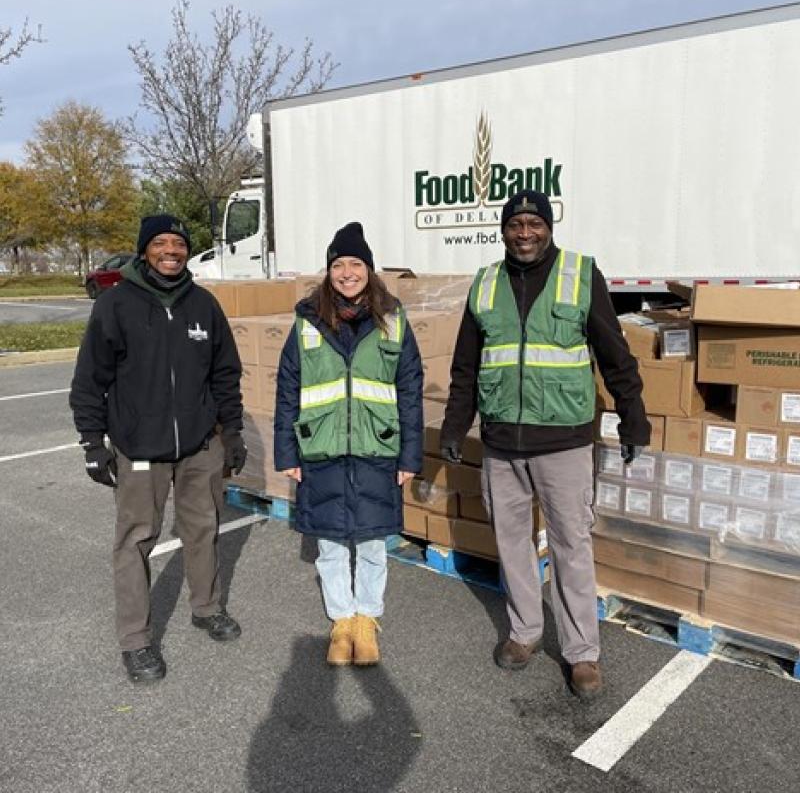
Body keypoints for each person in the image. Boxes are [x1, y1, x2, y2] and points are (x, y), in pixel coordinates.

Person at [440, 189, 650, 699]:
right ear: (504, 230)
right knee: (512, 543)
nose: (525, 233)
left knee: (571, 545)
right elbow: (466, 363)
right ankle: (525, 632)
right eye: (516, 225)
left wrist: (633, 417)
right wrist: (454, 425)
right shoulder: (486, 283)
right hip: (501, 443)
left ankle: (582, 654)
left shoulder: (580, 274)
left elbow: (613, 352)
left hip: (563, 441)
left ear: (549, 227)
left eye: (534, 223)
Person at [69, 214, 248, 684]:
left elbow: (225, 374)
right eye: (160, 242)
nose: (171, 250)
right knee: (134, 542)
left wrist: (232, 433)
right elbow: (90, 380)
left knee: (204, 529)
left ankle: (206, 608)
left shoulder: (204, 306)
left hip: (199, 447)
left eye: (179, 243)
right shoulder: (115, 305)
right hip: (138, 448)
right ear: (144, 249)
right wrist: (92, 442)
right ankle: (136, 640)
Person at [274, 222, 423, 667]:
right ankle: (341, 620)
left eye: (355, 264)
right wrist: (287, 452)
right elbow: (288, 388)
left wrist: (409, 454)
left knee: (374, 543)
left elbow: (410, 388)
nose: (346, 273)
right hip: (321, 448)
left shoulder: (394, 320)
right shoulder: (306, 322)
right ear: (328, 272)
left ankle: (366, 620)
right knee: (331, 544)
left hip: (378, 446)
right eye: (338, 265)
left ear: (369, 270)